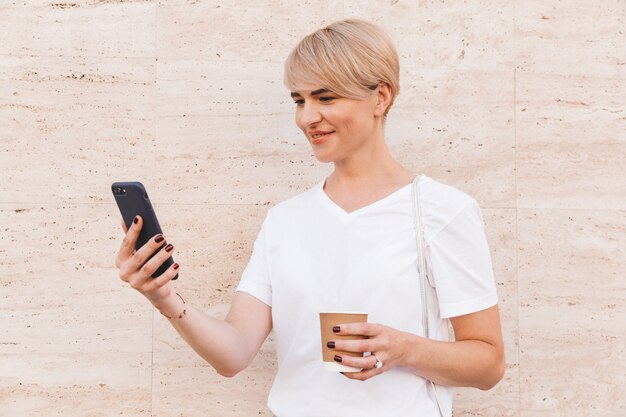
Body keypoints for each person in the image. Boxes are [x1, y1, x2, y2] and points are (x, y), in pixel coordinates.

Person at [115, 18, 504, 417]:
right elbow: (232, 354)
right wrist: (163, 297)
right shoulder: (285, 221)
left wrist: (403, 349)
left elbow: (489, 364)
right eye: (299, 100)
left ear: (381, 97)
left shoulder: (443, 211)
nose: (306, 118)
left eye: (326, 98)